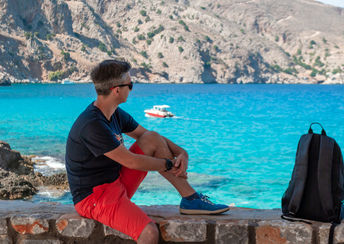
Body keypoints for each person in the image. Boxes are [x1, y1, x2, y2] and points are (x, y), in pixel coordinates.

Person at [65, 60, 229, 244]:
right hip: (94, 197)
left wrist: (182, 153)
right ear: (116, 90)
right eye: (130, 85)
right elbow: (131, 161)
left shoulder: (114, 113)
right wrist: (170, 164)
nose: (131, 88)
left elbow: (149, 137)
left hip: (116, 181)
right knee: (149, 233)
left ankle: (190, 198)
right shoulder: (92, 125)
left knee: (151, 138)